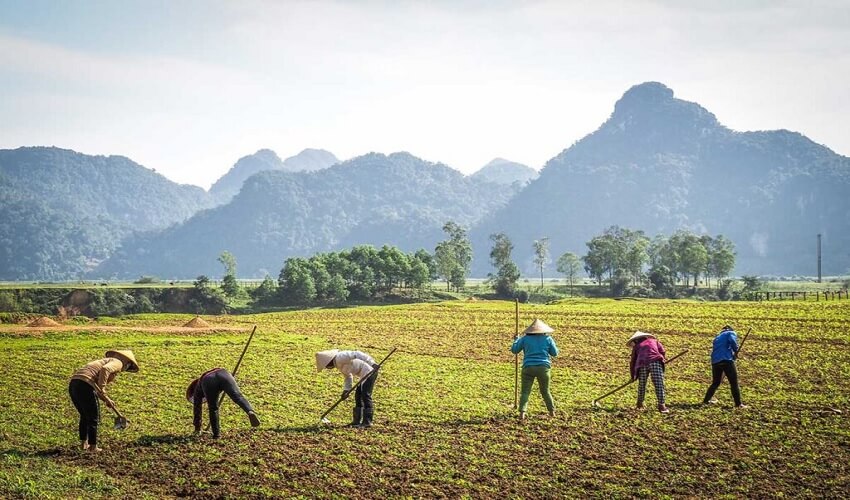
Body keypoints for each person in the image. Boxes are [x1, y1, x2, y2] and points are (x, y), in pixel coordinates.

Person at [69, 350, 139, 452]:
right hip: (85, 385)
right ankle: (93, 447)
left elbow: (95, 388)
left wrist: (106, 399)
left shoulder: (106, 360)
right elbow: (105, 370)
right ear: (126, 362)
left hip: (75, 384)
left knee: (85, 415)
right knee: (93, 417)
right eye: (129, 366)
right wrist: (103, 389)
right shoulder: (118, 362)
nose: (126, 368)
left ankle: (83, 444)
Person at [186, 368, 261, 439]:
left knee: (213, 408)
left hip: (208, 381)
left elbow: (197, 410)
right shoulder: (202, 379)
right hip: (224, 373)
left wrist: (197, 429)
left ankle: (216, 435)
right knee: (238, 396)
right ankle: (250, 411)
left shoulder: (196, 391)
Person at [316, 349, 379, 428]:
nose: (327, 368)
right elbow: (348, 376)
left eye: (326, 366)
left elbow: (356, 353)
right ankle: (356, 421)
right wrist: (346, 390)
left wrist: (372, 363)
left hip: (369, 371)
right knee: (358, 396)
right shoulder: (338, 364)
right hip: (363, 374)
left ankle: (367, 422)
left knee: (365, 395)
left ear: (328, 362)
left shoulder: (340, 357)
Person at [510, 318, 559, 420]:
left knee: (525, 392)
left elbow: (515, 350)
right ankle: (552, 412)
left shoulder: (524, 339)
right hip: (543, 368)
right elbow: (555, 353)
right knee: (545, 391)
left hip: (528, 367)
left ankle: (522, 414)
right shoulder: (548, 339)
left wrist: (516, 340)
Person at [703, 325, 746, 408]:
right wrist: (736, 351)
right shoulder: (730, 332)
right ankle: (738, 404)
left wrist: (732, 354)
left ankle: (706, 400)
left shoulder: (717, 337)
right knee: (734, 382)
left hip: (715, 361)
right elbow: (733, 341)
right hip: (726, 360)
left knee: (716, 382)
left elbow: (721, 349)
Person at [628, 331, 669, 413]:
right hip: (655, 362)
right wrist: (662, 359)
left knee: (642, 384)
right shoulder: (655, 341)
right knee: (658, 383)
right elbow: (662, 351)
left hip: (642, 364)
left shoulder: (637, 346)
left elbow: (633, 361)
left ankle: (640, 404)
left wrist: (633, 376)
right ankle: (662, 406)